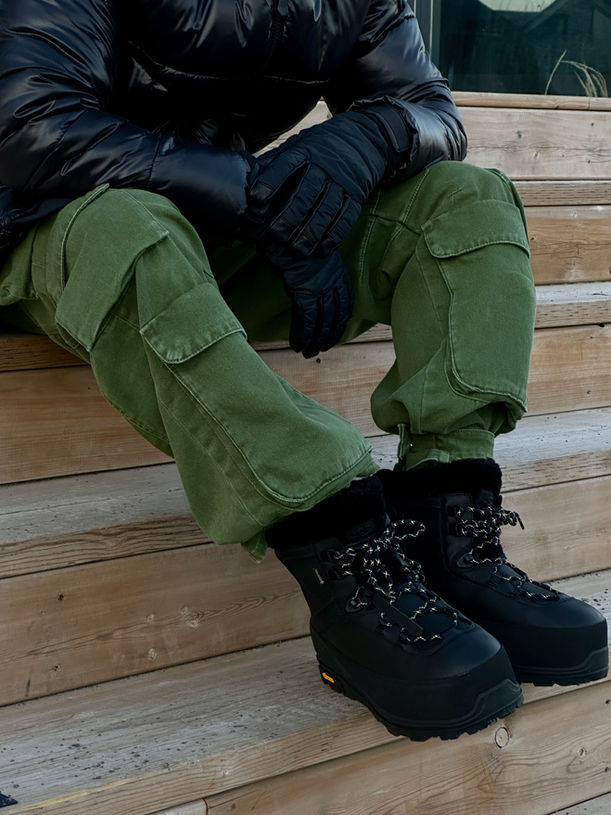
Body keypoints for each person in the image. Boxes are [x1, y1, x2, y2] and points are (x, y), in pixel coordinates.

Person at [0, 0, 607, 742]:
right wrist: (256, 197)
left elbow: (429, 110)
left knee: (465, 198)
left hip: (215, 227)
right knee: (130, 227)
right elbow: (29, 125)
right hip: (46, 224)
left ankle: (451, 540)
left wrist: (360, 143)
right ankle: (347, 568)